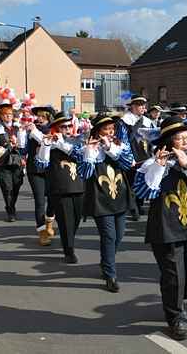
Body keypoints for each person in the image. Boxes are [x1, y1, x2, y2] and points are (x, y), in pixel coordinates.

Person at [133, 116, 187, 341]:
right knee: (174, 275)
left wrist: (185, 164)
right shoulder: (150, 165)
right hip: (165, 228)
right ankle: (175, 318)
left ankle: (173, 300)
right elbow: (144, 193)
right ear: (168, 142)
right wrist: (159, 166)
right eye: (180, 139)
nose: (185, 142)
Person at [78, 113, 137, 293]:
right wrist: (89, 152)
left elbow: (128, 164)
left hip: (119, 196)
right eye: (106, 130)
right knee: (109, 236)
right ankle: (110, 275)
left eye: (112, 129)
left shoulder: (119, 145)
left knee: (119, 235)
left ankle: (106, 261)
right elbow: (85, 174)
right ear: (97, 131)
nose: (110, 132)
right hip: (100, 198)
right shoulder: (88, 149)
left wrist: (110, 146)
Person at [35, 112, 85, 264]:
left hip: (79, 186)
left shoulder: (77, 141)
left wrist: (63, 143)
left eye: (69, 126)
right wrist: (46, 144)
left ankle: (69, 241)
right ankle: (69, 250)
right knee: (65, 221)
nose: (68, 129)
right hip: (59, 188)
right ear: (56, 128)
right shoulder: (48, 143)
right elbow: (41, 164)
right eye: (63, 127)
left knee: (75, 220)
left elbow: (80, 156)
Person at [0, 101, 27, 222]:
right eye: (4, 114)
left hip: (17, 161)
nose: (8, 116)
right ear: (0, 115)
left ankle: (11, 205)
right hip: (3, 162)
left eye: (9, 114)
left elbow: (25, 146)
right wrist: (0, 148)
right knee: (7, 187)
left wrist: (24, 156)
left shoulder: (19, 127)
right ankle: (10, 211)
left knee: (16, 185)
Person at [116, 94, 153, 221]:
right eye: (139, 105)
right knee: (131, 183)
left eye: (143, 105)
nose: (142, 107)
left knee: (142, 181)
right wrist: (129, 158)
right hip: (132, 156)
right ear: (132, 107)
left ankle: (139, 204)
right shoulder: (124, 121)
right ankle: (133, 208)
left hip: (145, 155)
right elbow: (123, 142)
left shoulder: (148, 121)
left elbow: (152, 140)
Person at [25, 105, 57, 246]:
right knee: (39, 201)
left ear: (49, 118)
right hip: (35, 170)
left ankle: (49, 223)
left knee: (53, 199)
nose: (39, 119)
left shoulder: (54, 130)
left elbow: (46, 140)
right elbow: (25, 148)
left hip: (51, 170)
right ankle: (42, 232)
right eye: (38, 116)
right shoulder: (31, 129)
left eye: (43, 116)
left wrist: (35, 132)